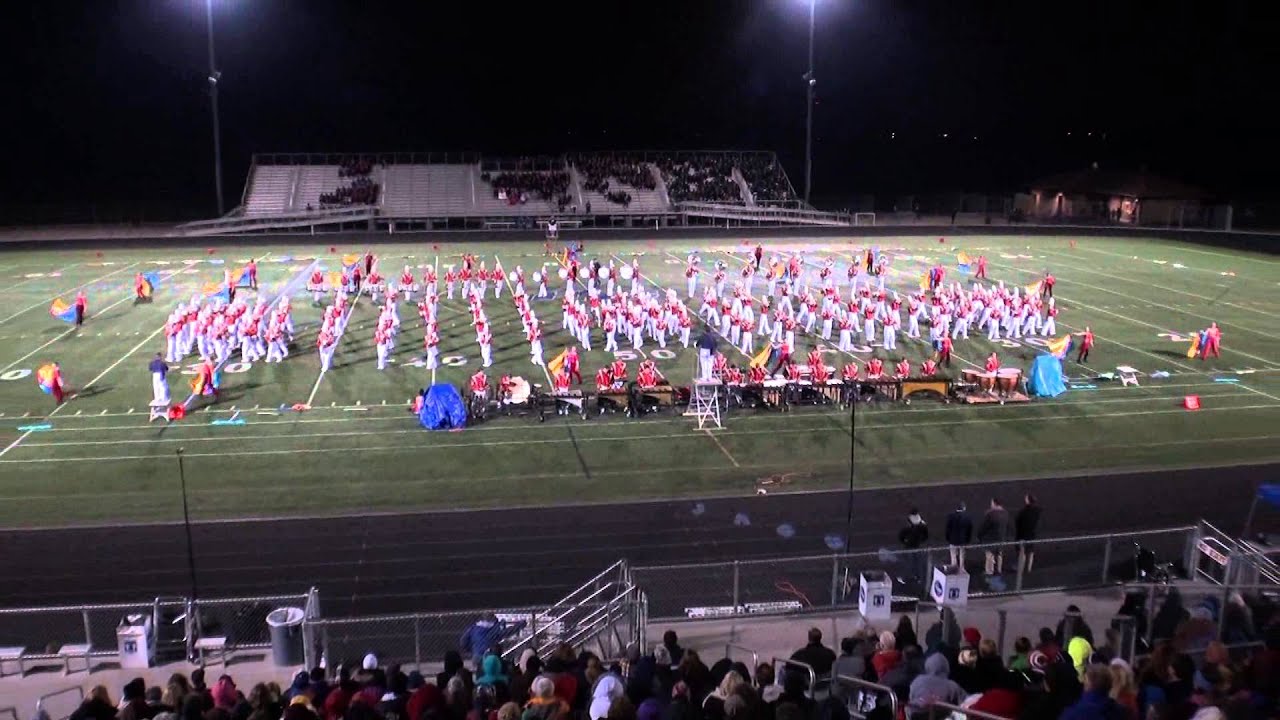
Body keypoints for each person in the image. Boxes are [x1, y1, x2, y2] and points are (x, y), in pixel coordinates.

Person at [1059, 665, 1127, 720]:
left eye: (1085, 679)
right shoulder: (1119, 711)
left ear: (1089, 683)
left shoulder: (1073, 712)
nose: (1082, 682)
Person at [977, 497, 1011, 575]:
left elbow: (984, 526)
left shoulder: (990, 513)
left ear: (994, 503)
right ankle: (999, 570)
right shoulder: (1005, 513)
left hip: (990, 538)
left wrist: (980, 536)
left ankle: (989, 571)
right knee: (999, 554)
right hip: (1001, 538)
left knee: (989, 555)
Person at [898, 508, 929, 584]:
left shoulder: (908, 524)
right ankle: (918, 577)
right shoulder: (922, 524)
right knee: (917, 562)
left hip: (909, 546)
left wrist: (904, 541)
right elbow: (926, 535)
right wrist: (921, 540)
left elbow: (901, 535)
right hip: (917, 545)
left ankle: (905, 578)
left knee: (908, 563)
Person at [1015, 493, 1041, 574]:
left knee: (1022, 552)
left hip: (1023, 533)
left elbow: (1018, 522)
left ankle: (1021, 568)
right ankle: (1029, 569)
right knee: (1030, 552)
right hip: (1032, 533)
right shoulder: (1037, 510)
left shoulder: (1024, 511)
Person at [945, 502, 973, 569]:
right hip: (963, 539)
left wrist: (948, 537)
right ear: (964, 508)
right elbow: (969, 529)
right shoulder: (967, 517)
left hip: (953, 539)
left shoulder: (951, 516)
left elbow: (948, 528)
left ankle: (954, 567)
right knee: (962, 554)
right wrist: (968, 540)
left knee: (953, 554)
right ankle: (961, 567)